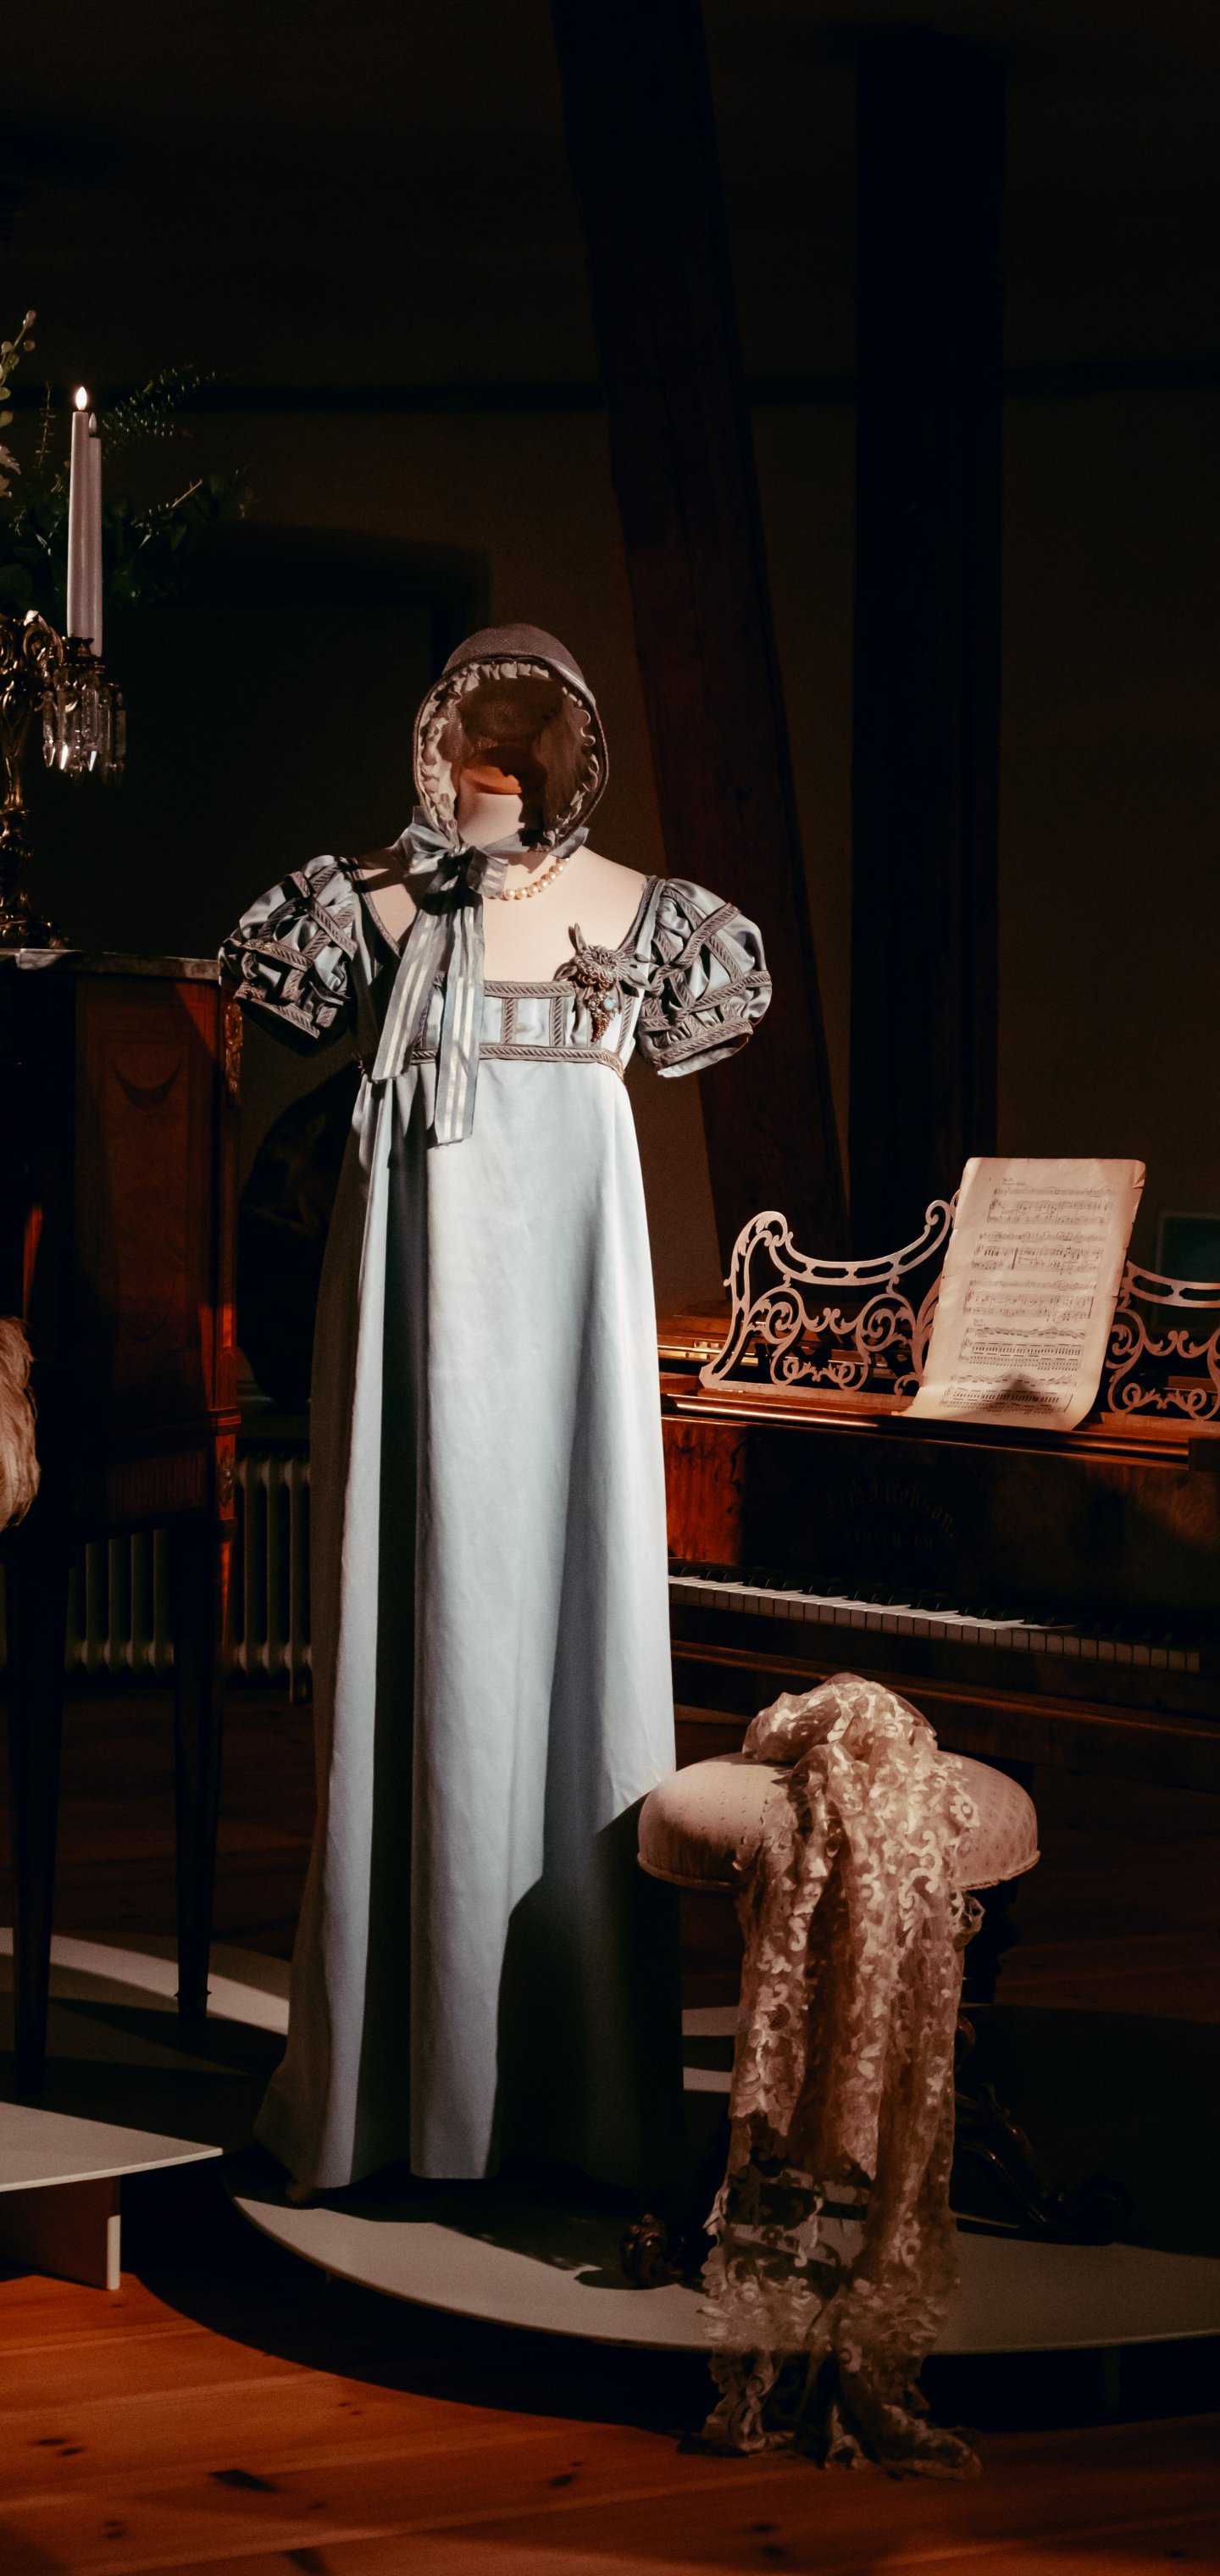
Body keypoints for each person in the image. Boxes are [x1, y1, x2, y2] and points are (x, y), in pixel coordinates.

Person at [221, 623, 771, 2195]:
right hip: (413, 1341)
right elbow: (265, 975)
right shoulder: (374, 908)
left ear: (574, 754)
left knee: (574, 1636)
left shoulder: (648, 922)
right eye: (477, 738)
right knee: (408, 1637)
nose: (501, 763)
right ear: (435, 747)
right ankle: (402, 2089)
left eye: (530, 741)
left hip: (565, 1354)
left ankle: (568, 2089)